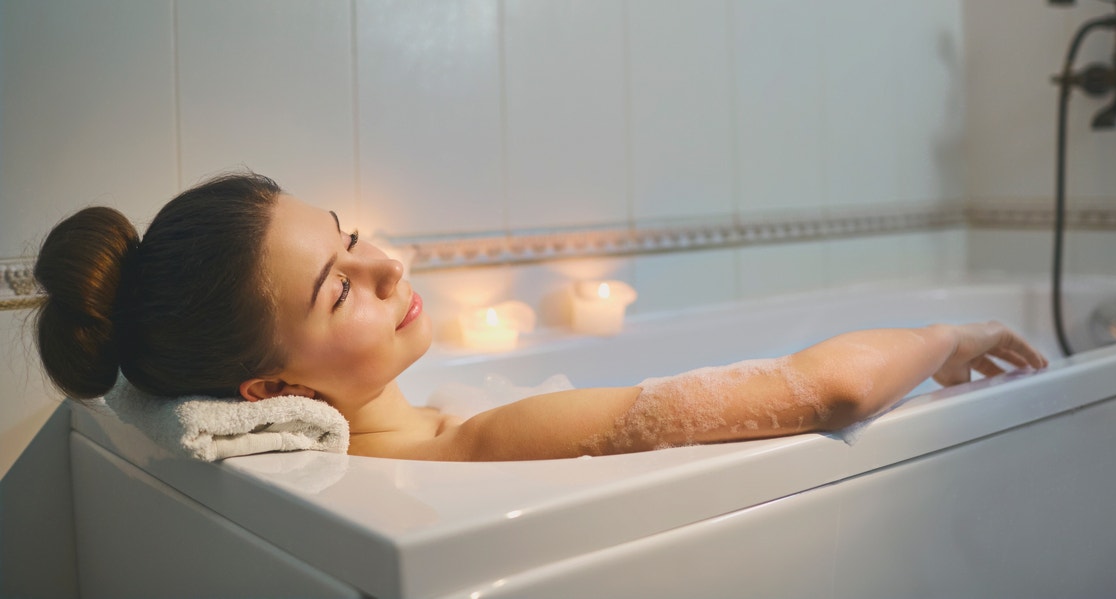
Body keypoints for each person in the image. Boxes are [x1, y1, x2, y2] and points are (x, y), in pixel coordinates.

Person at [34, 172, 1049, 461]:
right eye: (340, 286)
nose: (389, 263)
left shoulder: (425, 423)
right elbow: (827, 387)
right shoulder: (478, 441)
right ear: (269, 393)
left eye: (349, 237)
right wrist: (947, 337)